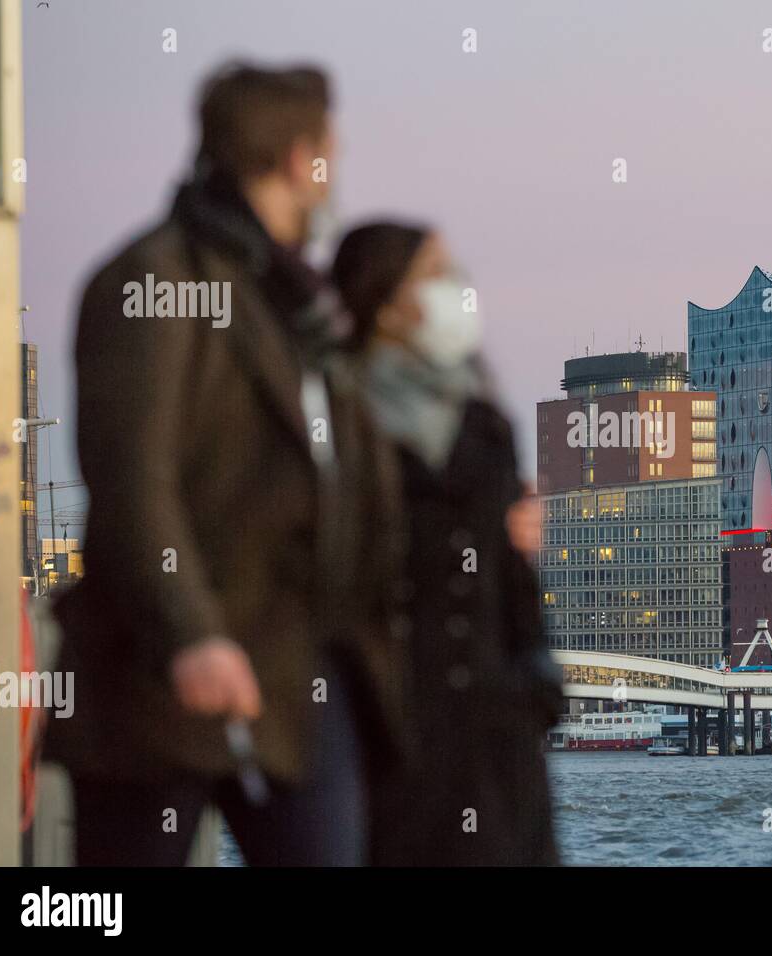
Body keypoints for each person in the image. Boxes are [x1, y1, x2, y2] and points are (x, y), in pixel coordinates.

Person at [44, 63, 409, 866]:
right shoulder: (156, 280)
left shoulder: (296, 304)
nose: (334, 174)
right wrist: (192, 635)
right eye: (329, 153)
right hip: (162, 681)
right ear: (294, 160)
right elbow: (133, 479)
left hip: (297, 678)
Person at [331, 221, 559, 865]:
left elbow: (514, 584)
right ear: (385, 303)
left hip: (498, 734)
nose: (454, 290)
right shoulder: (340, 425)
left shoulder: (485, 425)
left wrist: (536, 684)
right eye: (433, 274)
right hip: (391, 735)